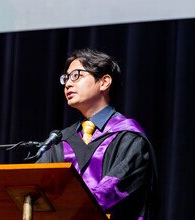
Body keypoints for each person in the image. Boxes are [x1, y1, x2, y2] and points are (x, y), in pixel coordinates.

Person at [37, 48, 158, 220]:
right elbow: (34, 186)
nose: (68, 84)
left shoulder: (129, 137)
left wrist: (64, 208)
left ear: (104, 82)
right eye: (66, 78)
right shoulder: (60, 141)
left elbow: (110, 191)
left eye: (76, 75)